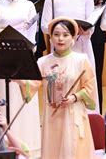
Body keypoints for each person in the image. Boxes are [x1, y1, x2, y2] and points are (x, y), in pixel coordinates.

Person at [18, 17, 97, 158]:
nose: (61, 39)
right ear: (51, 37)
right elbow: (32, 84)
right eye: (56, 34)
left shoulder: (81, 60)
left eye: (65, 35)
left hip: (73, 114)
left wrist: (74, 97)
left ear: (73, 37)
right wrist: (19, 80)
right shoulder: (42, 62)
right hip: (51, 115)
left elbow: (90, 87)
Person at [0, 0, 41, 156]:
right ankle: (5, 143)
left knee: (23, 101)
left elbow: (33, 37)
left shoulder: (28, 6)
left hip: (23, 57)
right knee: (4, 99)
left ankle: (29, 144)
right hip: (3, 58)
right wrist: (14, 28)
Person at [41, 0, 96, 71]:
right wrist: (61, 32)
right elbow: (44, 26)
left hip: (82, 45)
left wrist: (86, 31)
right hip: (59, 46)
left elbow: (91, 24)